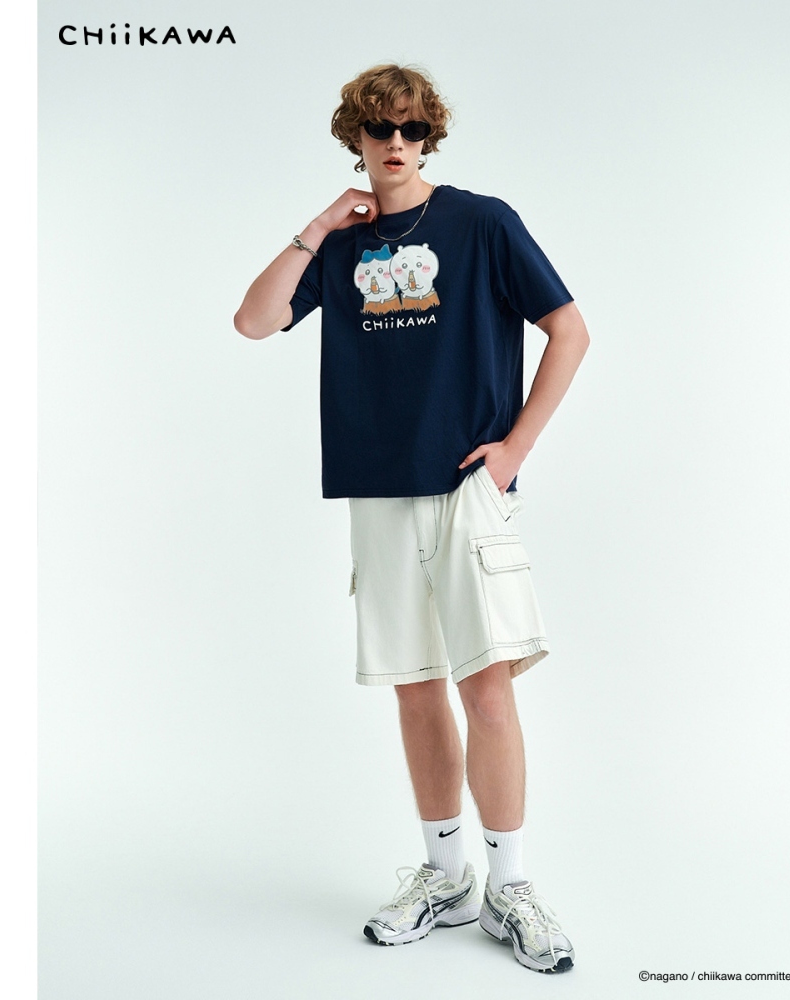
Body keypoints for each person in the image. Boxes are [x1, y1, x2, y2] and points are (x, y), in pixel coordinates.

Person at [234, 63, 589, 974]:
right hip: (378, 491)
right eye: (380, 129)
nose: (397, 144)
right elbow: (254, 320)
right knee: (415, 686)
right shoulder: (341, 245)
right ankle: (446, 875)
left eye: (413, 129)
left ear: (430, 137)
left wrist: (514, 449)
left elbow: (569, 329)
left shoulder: (481, 222)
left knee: (488, 688)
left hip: (466, 489)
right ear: (354, 137)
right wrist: (319, 226)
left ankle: (510, 886)